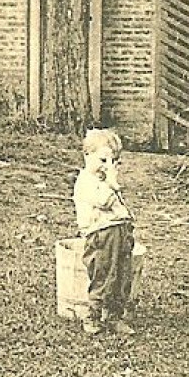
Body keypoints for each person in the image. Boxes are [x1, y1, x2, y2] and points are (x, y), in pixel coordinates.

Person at [75, 128, 137, 336]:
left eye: (114, 162)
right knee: (103, 274)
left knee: (122, 276)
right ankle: (92, 314)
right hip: (101, 236)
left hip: (119, 233)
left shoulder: (104, 181)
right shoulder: (86, 182)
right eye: (102, 160)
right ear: (87, 155)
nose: (107, 167)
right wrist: (112, 181)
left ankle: (114, 315)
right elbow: (104, 201)